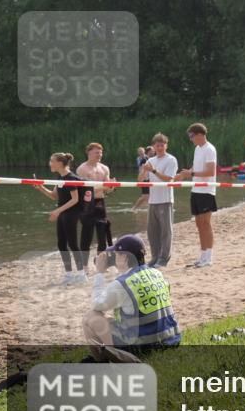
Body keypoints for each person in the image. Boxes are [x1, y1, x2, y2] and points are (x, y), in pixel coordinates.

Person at [83, 234, 181, 363]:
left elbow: (97, 304)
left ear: (124, 257)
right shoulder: (157, 274)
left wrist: (100, 273)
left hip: (143, 347)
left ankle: (106, 359)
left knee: (91, 316)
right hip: (171, 340)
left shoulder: (122, 283)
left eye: (116, 254)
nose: (114, 257)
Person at [33, 152, 87, 285]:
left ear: (60, 163)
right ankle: (68, 274)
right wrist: (40, 188)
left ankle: (81, 274)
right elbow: (54, 196)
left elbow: (75, 200)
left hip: (71, 213)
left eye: (52, 161)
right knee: (61, 244)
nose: (50, 164)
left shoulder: (71, 178)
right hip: (63, 213)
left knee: (73, 243)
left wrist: (57, 211)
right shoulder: (59, 177)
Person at [175, 123, 217, 268]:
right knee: (199, 224)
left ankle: (209, 257)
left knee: (206, 224)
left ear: (199, 134)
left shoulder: (210, 149)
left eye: (192, 136)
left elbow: (210, 172)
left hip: (206, 190)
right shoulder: (197, 149)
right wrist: (183, 175)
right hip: (196, 190)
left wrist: (191, 173)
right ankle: (203, 255)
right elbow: (195, 168)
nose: (191, 139)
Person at [142, 132, 178, 267]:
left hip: (165, 199)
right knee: (152, 232)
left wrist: (154, 171)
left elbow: (169, 179)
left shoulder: (171, 159)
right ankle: (155, 257)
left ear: (166, 146)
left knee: (165, 231)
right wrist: (143, 170)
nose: (160, 147)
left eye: (162, 145)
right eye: (157, 145)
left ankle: (164, 259)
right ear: (153, 147)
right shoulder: (150, 161)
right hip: (153, 200)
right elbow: (141, 180)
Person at [76, 142, 114, 265]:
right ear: (89, 152)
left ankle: (100, 263)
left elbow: (108, 189)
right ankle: (84, 265)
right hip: (87, 204)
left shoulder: (104, 168)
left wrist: (111, 186)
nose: (99, 154)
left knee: (102, 238)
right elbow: (85, 190)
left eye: (101, 152)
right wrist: (104, 186)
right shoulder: (82, 169)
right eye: (96, 152)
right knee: (86, 237)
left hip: (100, 203)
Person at [132, 146, 151, 211]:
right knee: (144, 196)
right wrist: (142, 178)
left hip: (148, 179)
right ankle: (134, 208)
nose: (141, 153)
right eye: (140, 152)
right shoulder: (143, 159)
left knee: (147, 196)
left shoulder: (148, 158)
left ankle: (146, 208)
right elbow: (141, 169)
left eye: (142, 152)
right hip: (144, 179)